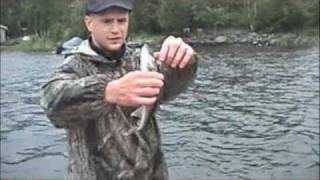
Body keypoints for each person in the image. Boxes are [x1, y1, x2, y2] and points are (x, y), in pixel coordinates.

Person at [40, 0, 197, 179]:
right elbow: (52, 103)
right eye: (107, 21)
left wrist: (184, 63)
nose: (116, 30)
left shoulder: (142, 60)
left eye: (121, 21)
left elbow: (171, 87)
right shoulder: (74, 67)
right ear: (89, 23)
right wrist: (106, 92)